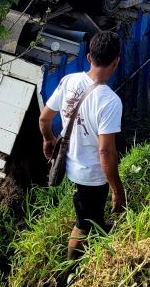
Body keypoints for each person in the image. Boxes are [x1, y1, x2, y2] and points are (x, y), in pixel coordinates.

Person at [39, 30, 125, 261]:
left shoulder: (69, 81)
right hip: (91, 175)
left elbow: (44, 119)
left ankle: (99, 224)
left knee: (89, 210)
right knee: (82, 224)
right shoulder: (110, 101)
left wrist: (49, 139)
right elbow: (106, 152)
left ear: (89, 57)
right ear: (116, 62)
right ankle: (69, 267)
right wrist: (118, 190)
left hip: (71, 165)